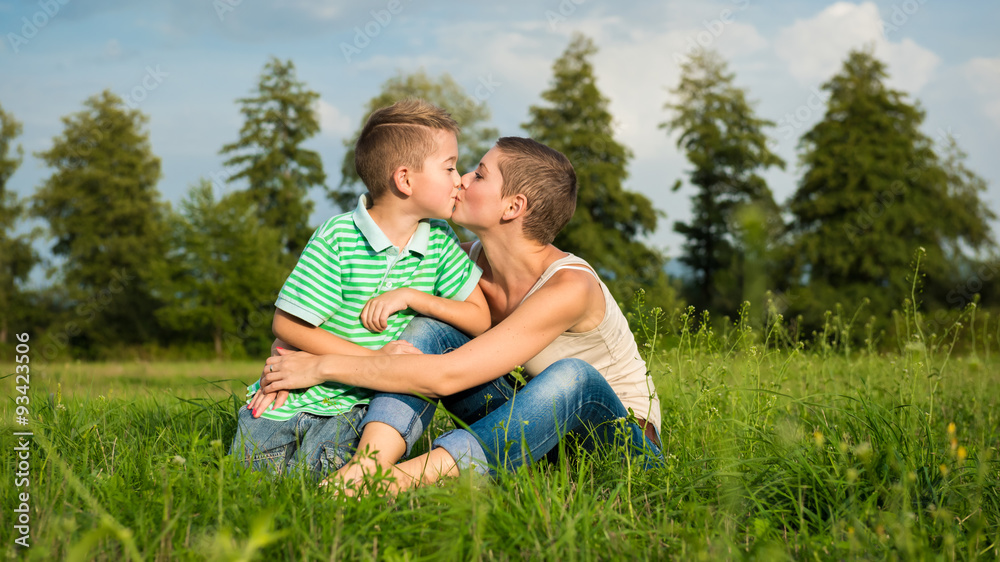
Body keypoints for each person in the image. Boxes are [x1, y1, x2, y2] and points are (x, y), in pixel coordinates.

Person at [258, 137, 662, 492]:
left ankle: (399, 482)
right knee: (429, 328)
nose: (462, 179)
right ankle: (366, 469)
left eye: (479, 174)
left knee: (574, 376)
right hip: (532, 429)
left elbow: (448, 375)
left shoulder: (569, 286)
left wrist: (323, 366)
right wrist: (290, 352)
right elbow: (351, 310)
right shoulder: (456, 260)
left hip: (617, 444)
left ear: (513, 206)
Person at [230, 99, 491, 478]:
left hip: (364, 408)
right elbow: (288, 326)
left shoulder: (439, 241)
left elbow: (479, 318)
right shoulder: (338, 236)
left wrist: (412, 297)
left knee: (322, 485)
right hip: (296, 395)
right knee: (250, 480)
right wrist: (374, 359)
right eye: (449, 167)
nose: (459, 179)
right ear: (405, 179)